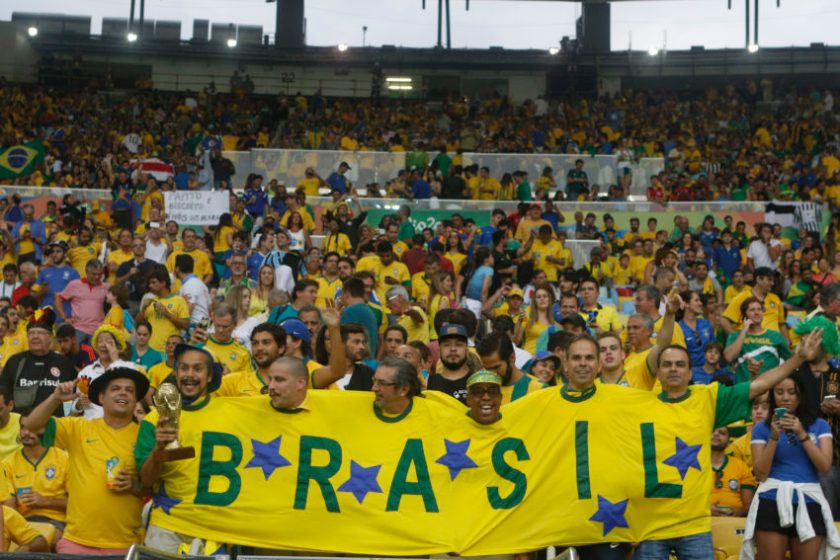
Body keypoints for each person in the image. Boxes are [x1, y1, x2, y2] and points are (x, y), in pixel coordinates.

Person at [634, 327, 823, 559]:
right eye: (667, 364)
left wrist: (799, 357)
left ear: (690, 371)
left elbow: (759, 386)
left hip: (694, 525)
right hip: (651, 524)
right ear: (657, 371)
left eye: (680, 364)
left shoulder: (707, 397)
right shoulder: (636, 404)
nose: (673, 369)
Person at [22, 366, 150, 554]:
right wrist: (55, 398)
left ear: (135, 400)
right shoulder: (78, 428)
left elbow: (152, 487)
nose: (123, 392)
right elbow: (31, 425)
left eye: (130, 390)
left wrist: (133, 485)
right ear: (101, 398)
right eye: (115, 388)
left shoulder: (144, 436)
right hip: (76, 541)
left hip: (123, 545)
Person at [136, 344, 223, 553]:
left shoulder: (228, 413)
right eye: (184, 368)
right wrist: (158, 451)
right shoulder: (153, 421)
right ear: (175, 373)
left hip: (216, 526)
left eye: (197, 369)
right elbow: (146, 481)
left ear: (210, 376)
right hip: (168, 525)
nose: (189, 375)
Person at [746, 371, 839, 559]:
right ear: (772, 395)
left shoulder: (819, 425)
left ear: (801, 395)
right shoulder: (761, 428)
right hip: (771, 498)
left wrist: (802, 433)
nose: (786, 398)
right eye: (779, 392)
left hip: (809, 499)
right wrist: (773, 437)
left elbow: (824, 466)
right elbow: (760, 473)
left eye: (792, 392)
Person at [2, 415, 69, 546]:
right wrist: (22, 530)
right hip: (22, 523)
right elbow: (9, 507)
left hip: (56, 521)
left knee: (45, 541)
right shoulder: (7, 464)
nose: (26, 432)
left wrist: (46, 501)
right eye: (23, 428)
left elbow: (78, 504)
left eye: (32, 427)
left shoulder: (64, 459)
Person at [0, 308, 76, 417]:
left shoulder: (63, 363)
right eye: (31, 333)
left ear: (50, 337)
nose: (35, 336)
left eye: (40, 333)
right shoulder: (14, 361)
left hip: (54, 426)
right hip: (21, 427)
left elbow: (75, 396)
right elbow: (3, 394)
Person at [73, 325, 136, 419]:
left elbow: (129, 391)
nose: (103, 344)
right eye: (100, 341)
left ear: (118, 347)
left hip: (119, 425)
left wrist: (115, 359)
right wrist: (79, 404)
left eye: (108, 341)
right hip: (92, 427)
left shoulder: (129, 367)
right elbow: (77, 405)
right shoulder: (87, 372)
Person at [723, 297, 791, 383]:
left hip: (769, 387)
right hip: (744, 388)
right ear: (745, 315)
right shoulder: (735, 336)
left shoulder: (776, 336)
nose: (756, 313)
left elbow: (789, 361)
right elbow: (729, 357)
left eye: (759, 309)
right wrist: (744, 331)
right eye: (752, 310)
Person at [216, 324, 286, 397]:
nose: (259, 348)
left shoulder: (294, 382)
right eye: (255, 343)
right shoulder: (232, 382)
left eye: (266, 342)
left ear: (281, 348)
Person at [477, 331, 545, 403]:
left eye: (496, 367)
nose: (492, 374)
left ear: (512, 357)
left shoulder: (539, 389)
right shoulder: (481, 390)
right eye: (487, 369)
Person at [55, 259, 108, 344]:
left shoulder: (106, 287)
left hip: (98, 330)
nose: (97, 277)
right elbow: (58, 299)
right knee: (75, 355)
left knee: (92, 356)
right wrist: (65, 317)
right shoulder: (75, 284)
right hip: (78, 329)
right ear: (87, 272)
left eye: (99, 274)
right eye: (94, 274)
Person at [139, 265, 190, 353]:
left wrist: (167, 313)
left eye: (154, 282)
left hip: (169, 351)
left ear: (163, 282)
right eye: (149, 283)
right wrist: (143, 309)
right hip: (150, 351)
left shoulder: (179, 300)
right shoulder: (151, 301)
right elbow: (138, 324)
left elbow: (186, 325)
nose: (150, 286)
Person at [710, 425, 755, 517]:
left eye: (722, 433)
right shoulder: (692, 465)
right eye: (711, 432)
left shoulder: (741, 466)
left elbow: (749, 505)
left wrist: (740, 511)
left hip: (734, 522)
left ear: (729, 443)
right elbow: (686, 500)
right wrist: (705, 509)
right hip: (700, 521)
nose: (716, 434)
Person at [426, 323, 475, 404]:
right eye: (447, 345)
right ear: (440, 350)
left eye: (458, 345)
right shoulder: (429, 383)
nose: (453, 349)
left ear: (467, 350)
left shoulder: (477, 382)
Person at [372, 356, 421, 420]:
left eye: (382, 383)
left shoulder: (431, 415)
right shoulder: (359, 406)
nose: (373, 388)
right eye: (374, 381)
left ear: (403, 389)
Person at [174, 254, 211, 326]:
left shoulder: (190, 285)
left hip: (194, 327)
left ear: (177, 269)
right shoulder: (200, 283)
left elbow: (187, 313)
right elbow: (209, 308)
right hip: (203, 325)